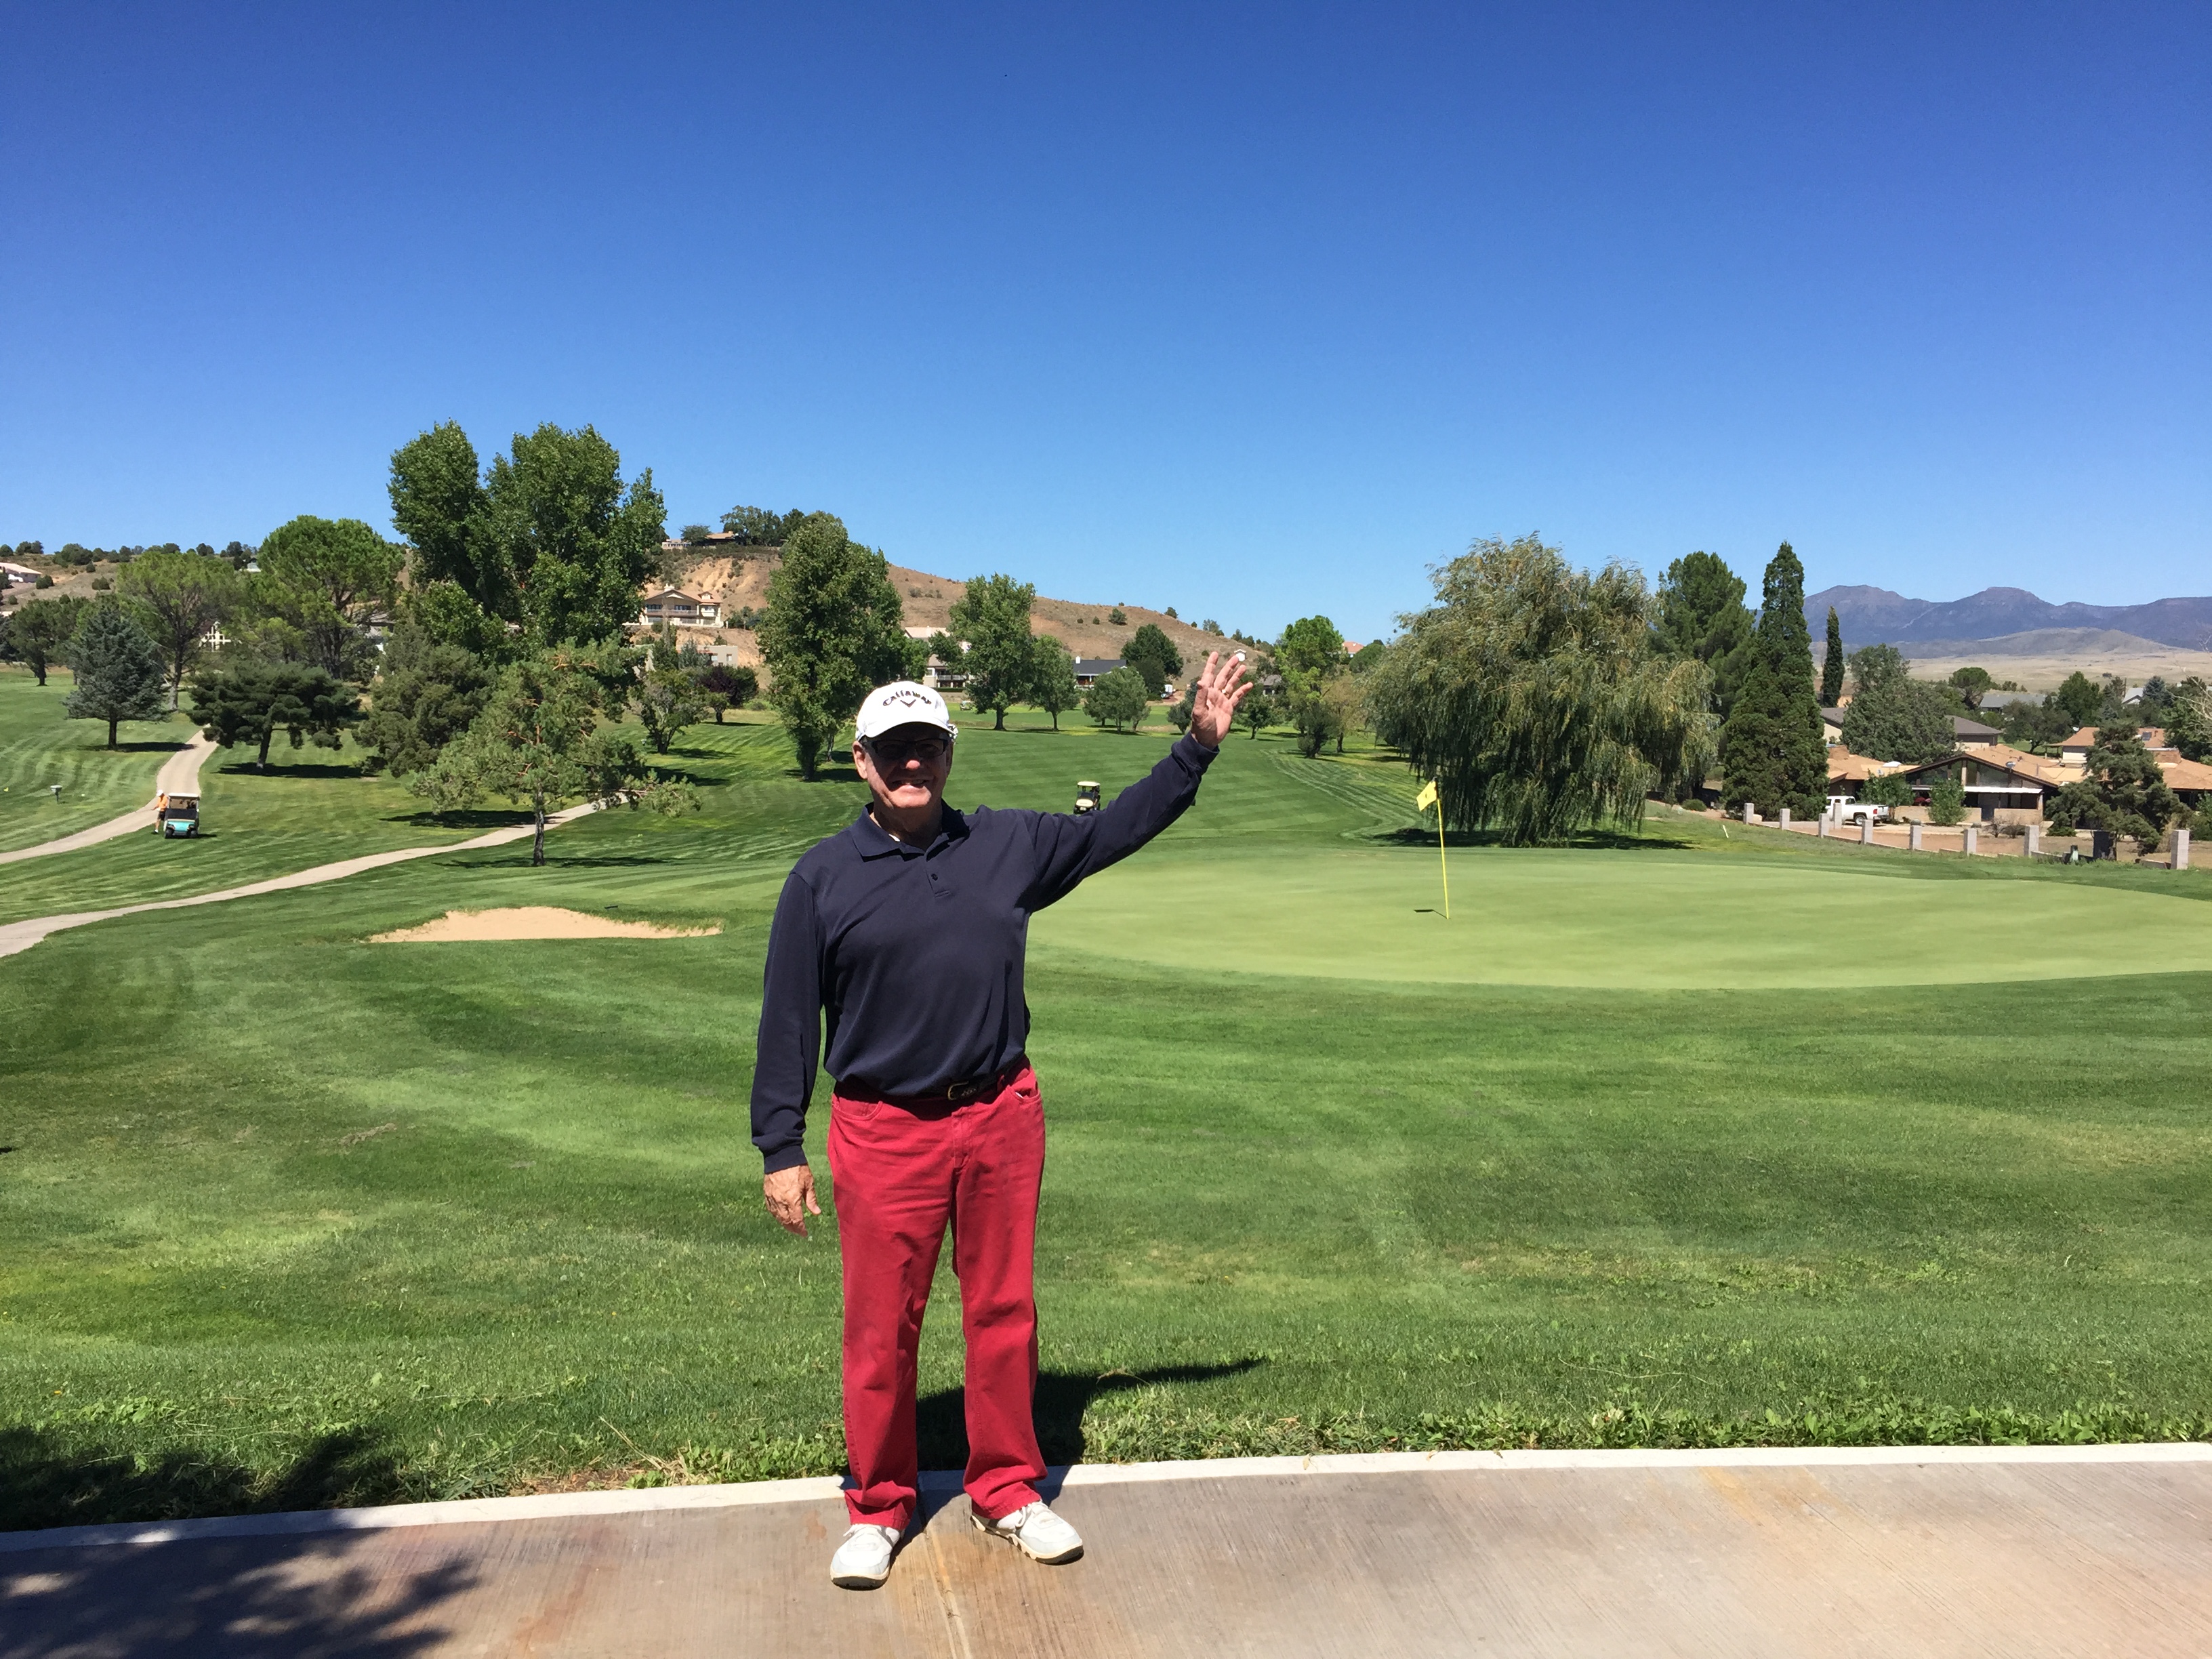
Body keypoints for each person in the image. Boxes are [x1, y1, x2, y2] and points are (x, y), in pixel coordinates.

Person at [752, 652, 1252, 1590]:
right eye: (895, 752)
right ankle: (878, 1505)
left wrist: (1194, 750)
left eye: (928, 750)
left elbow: (1118, 833)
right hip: (882, 1129)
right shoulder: (821, 880)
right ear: (862, 761)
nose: (913, 768)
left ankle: (1009, 1490)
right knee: (880, 1331)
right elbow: (787, 1020)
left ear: (949, 754)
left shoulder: (1005, 845)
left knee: (1003, 1314)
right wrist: (780, 1146)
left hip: (999, 1116)